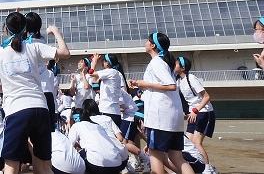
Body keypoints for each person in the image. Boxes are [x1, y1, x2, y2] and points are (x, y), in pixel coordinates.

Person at [0, 11, 70, 174]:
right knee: (43, 166)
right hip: (40, 108)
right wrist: (56, 32)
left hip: (16, 110)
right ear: (25, 29)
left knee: (11, 165)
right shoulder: (33, 47)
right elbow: (65, 52)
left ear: (5, 29)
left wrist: (8, 88)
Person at [128, 32, 193, 174]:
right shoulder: (163, 63)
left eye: (147, 41)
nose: (145, 43)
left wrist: (144, 83)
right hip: (172, 117)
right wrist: (142, 85)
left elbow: (170, 86)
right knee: (177, 157)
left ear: (152, 45)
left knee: (156, 162)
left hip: (160, 118)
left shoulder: (156, 62)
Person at [175, 56, 218, 174]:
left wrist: (196, 110)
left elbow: (207, 96)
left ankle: (208, 168)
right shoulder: (178, 81)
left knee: (196, 143)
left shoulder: (191, 78)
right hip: (193, 114)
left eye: (176, 64)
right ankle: (199, 166)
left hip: (204, 112)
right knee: (189, 143)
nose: (174, 65)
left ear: (183, 68)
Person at [66, 104, 127, 174]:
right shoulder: (98, 126)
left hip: (97, 165)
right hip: (117, 164)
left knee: (78, 153)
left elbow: (69, 147)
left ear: (74, 119)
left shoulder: (76, 126)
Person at [89, 53, 127, 126]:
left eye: (103, 61)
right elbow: (95, 82)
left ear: (107, 63)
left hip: (107, 110)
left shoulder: (110, 71)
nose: (102, 63)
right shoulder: (114, 73)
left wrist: (94, 62)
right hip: (114, 111)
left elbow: (91, 72)